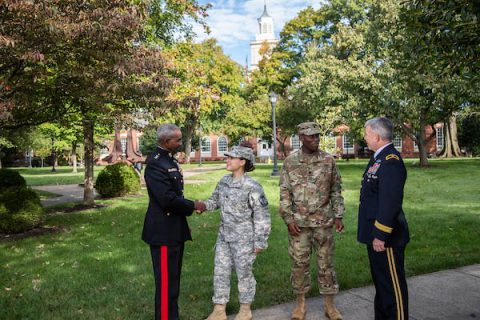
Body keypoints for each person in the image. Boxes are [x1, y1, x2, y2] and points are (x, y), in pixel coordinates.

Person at [279, 122, 345, 320]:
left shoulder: (328, 160)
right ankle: (300, 305)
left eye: (317, 136)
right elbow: (285, 192)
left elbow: (336, 189)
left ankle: (329, 306)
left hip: (323, 222)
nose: (315, 139)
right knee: (299, 264)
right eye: (311, 136)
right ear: (301, 138)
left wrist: (338, 215)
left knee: (326, 264)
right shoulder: (290, 162)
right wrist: (288, 218)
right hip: (299, 225)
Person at [199, 144, 271, 320]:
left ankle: (245, 309)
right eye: (227, 157)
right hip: (224, 236)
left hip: (244, 239)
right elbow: (214, 201)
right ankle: (219, 309)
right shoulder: (224, 181)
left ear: (242, 162)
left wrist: (260, 241)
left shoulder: (252, 186)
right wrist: (201, 205)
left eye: (231, 158)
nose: (227, 160)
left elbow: (262, 215)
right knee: (220, 271)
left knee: (244, 273)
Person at [142, 123, 206, 320]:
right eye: (177, 140)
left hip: (174, 229)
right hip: (163, 232)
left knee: (173, 282)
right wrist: (193, 205)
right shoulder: (155, 163)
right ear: (165, 141)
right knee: (165, 284)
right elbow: (167, 199)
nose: (180, 142)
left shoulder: (168, 160)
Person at [358, 117, 410, 320]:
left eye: (366, 134)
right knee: (382, 286)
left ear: (377, 136)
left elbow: (390, 202)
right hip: (376, 236)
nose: (364, 137)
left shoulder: (391, 161)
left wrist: (380, 234)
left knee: (392, 289)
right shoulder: (379, 158)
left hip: (386, 238)